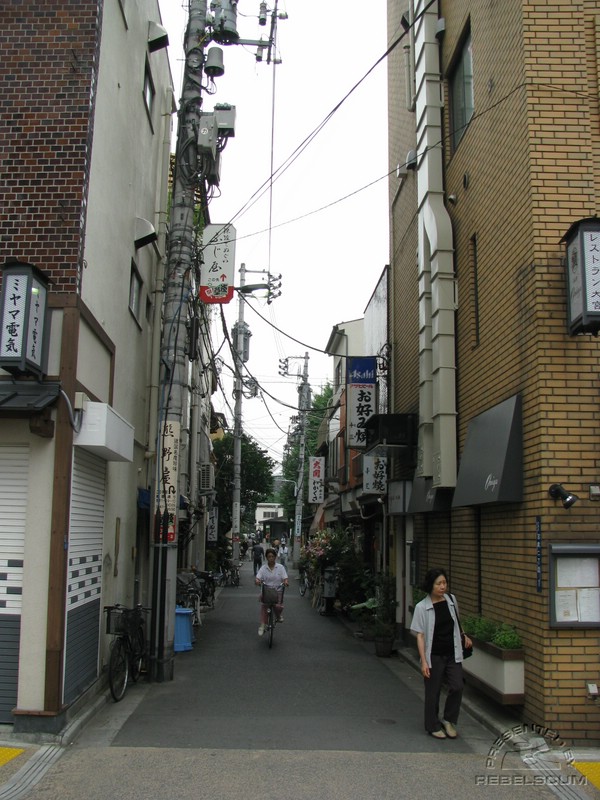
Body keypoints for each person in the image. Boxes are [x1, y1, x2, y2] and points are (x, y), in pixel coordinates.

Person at [410, 568, 472, 739]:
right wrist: (423, 661)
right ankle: (432, 725)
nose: (443, 586)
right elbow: (420, 636)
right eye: (439, 583)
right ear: (430, 585)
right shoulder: (422, 607)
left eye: (444, 583)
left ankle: (448, 720)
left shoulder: (451, 600)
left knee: (457, 685)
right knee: (433, 691)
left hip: (452, 653)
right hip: (434, 655)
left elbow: (456, 622)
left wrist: (463, 635)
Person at [255, 548, 289, 636]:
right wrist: (258, 581)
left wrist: (285, 582)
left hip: (278, 591)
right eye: (269, 556)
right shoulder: (263, 568)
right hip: (266, 591)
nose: (271, 558)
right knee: (264, 607)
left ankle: (278, 616)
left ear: (275, 557)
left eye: (272, 556)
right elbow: (258, 577)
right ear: (266, 557)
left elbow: (285, 578)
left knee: (278, 606)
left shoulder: (280, 567)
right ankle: (262, 626)